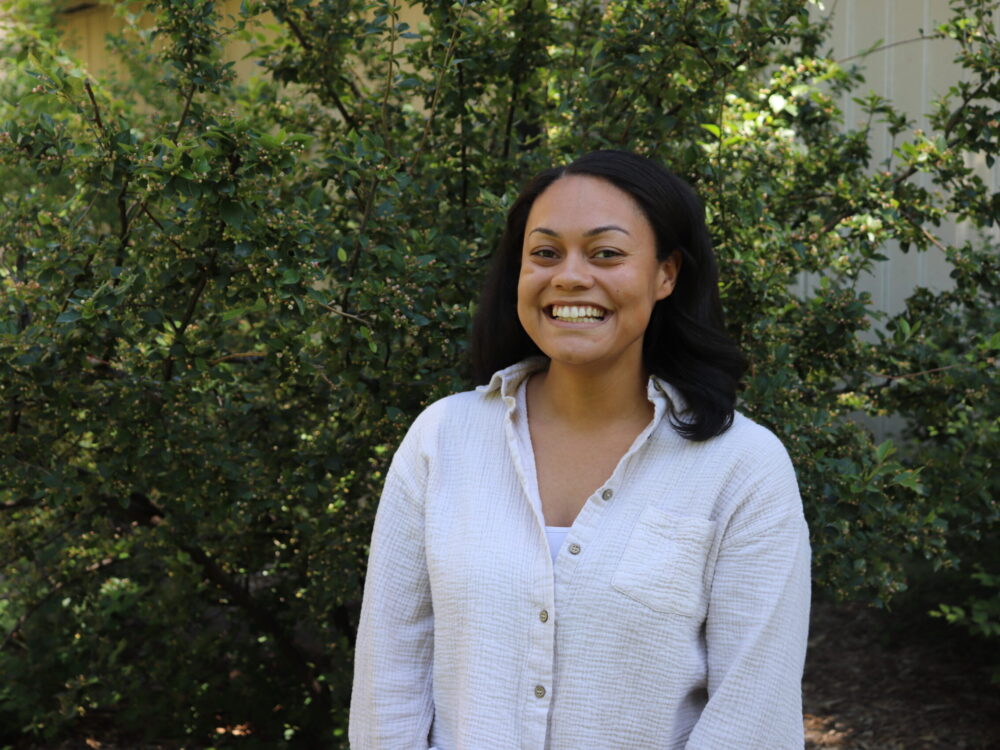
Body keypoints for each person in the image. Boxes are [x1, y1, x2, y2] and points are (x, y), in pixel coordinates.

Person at [349, 150, 811, 749]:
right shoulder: (442, 439)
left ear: (666, 274)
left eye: (606, 253)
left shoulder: (742, 467)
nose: (569, 276)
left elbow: (752, 717)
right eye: (545, 253)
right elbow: (390, 680)